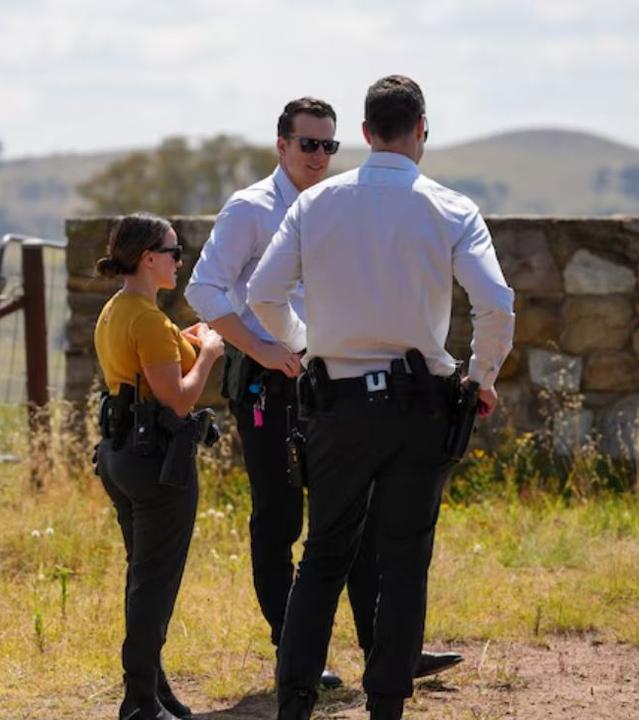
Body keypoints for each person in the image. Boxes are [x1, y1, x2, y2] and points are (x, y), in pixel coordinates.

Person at [247, 75, 515, 720]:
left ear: (365, 133)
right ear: (422, 128)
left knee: (322, 557)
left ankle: (294, 704)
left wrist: (308, 347)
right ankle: (387, 706)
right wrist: (480, 376)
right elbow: (497, 304)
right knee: (403, 561)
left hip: (335, 403)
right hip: (421, 404)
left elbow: (262, 294)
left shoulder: (315, 204)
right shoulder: (451, 208)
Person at [186, 97, 461, 688]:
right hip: (267, 381)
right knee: (280, 518)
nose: (318, 155)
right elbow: (205, 289)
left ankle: (388, 652)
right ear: (281, 144)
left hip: (326, 381)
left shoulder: (329, 206)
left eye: (329, 145)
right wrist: (261, 349)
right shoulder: (250, 208)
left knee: (352, 520)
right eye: (307, 144)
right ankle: (295, 653)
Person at [93, 212, 225, 720]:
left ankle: (155, 691)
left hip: (120, 457)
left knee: (143, 578)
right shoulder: (147, 318)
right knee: (155, 584)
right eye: (174, 251)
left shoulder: (119, 309)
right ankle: (139, 701)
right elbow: (178, 401)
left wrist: (187, 340)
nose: (180, 259)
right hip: (158, 465)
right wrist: (209, 353)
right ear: (148, 258)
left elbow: (151, 359)